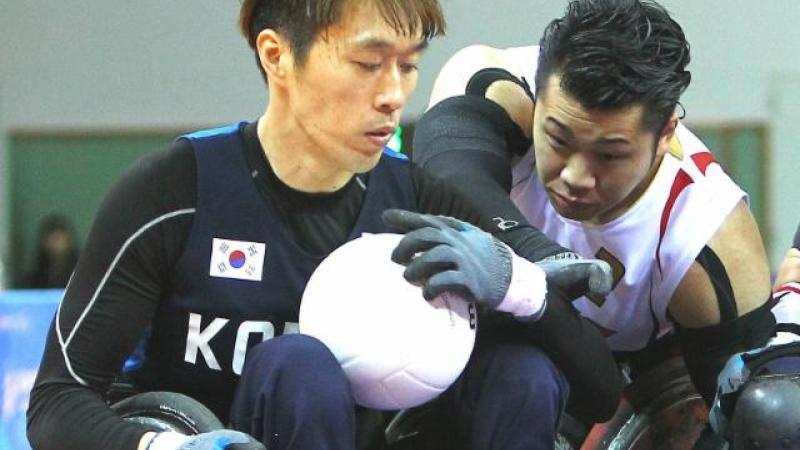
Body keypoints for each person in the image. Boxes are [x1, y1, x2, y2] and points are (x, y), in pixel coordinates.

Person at [27, 1, 621, 450]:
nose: (394, 95)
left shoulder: (421, 199)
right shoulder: (175, 189)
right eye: (368, 63)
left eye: (410, 67)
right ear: (276, 55)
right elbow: (56, 401)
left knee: (520, 373)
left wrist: (522, 289)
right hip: (222, 430)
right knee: (300, 367)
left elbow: (599, 393)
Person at [412, 0, 800, 442]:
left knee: (772, 413)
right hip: (482, 340)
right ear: (537, 97)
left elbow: (740, 424)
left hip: (644, 375)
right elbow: (445, 178)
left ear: (665, 136)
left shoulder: (709, 235)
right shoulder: (496, 82)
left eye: (609, 154)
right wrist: (541, 259)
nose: (575, 176)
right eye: (557, 139)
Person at [22, 213, 80, 289]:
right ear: (44, 242)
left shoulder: (80, 273)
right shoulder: (35, 276)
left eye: (59, 238)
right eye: (52, 239)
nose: (56, 244)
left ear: (69, 240)